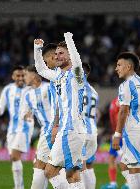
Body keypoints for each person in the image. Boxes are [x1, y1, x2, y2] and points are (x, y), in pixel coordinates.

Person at [34, 32, 86, 189]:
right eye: (55, 54)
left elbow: (77, 62)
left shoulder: (76, 75)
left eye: (61, 53)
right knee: (72, 174)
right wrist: (37, 49)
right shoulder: (58, 76)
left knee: (49, 171)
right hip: (71, 130)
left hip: (71, 129)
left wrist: (69, 39)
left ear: (70, 55)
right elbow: (41, 70)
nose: (57, 56)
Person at [112, 52, 140, 189]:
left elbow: (123, 111)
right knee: (123, 164)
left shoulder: (126, 85)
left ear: (129, 66)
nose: (116, 68)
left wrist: (117, 135)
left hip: (134, 133)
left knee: (135, 171)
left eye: (119, 65)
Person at [0, 66, 34, 189]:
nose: (20, 78)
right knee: (13, 159)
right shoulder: (7, 89)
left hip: (25, 127)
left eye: (22, 75)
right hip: (12, 129)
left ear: (26, 76)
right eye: (17, 76)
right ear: (13, 77)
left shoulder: (31, 89)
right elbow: (1, 109)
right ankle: (18, 186)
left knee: (15, 156)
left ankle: (19, 187)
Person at [22, 65, 56, 189]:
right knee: (48, 167)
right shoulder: (27, 95)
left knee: (40, 165)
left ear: (34, 75)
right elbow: (26, 114)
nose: (23, 77)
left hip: (52, 129)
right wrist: (27, 115)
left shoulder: (48, 88)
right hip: (45, 131)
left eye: (26, 74)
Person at [101, 97, 128, 189]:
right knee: (114, 158)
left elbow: (114, 118)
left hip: (122, 133)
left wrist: (116, 131)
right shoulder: (130, 99)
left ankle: (125, 184)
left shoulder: (115, 102)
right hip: (123, 133)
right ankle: (115, 184)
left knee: (120, 159)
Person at [81, 62, 99, 189]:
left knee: (79, 166)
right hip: (93, 130)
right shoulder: (94, 92)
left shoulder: (75, 88)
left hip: (80, 131)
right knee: (89, 165)